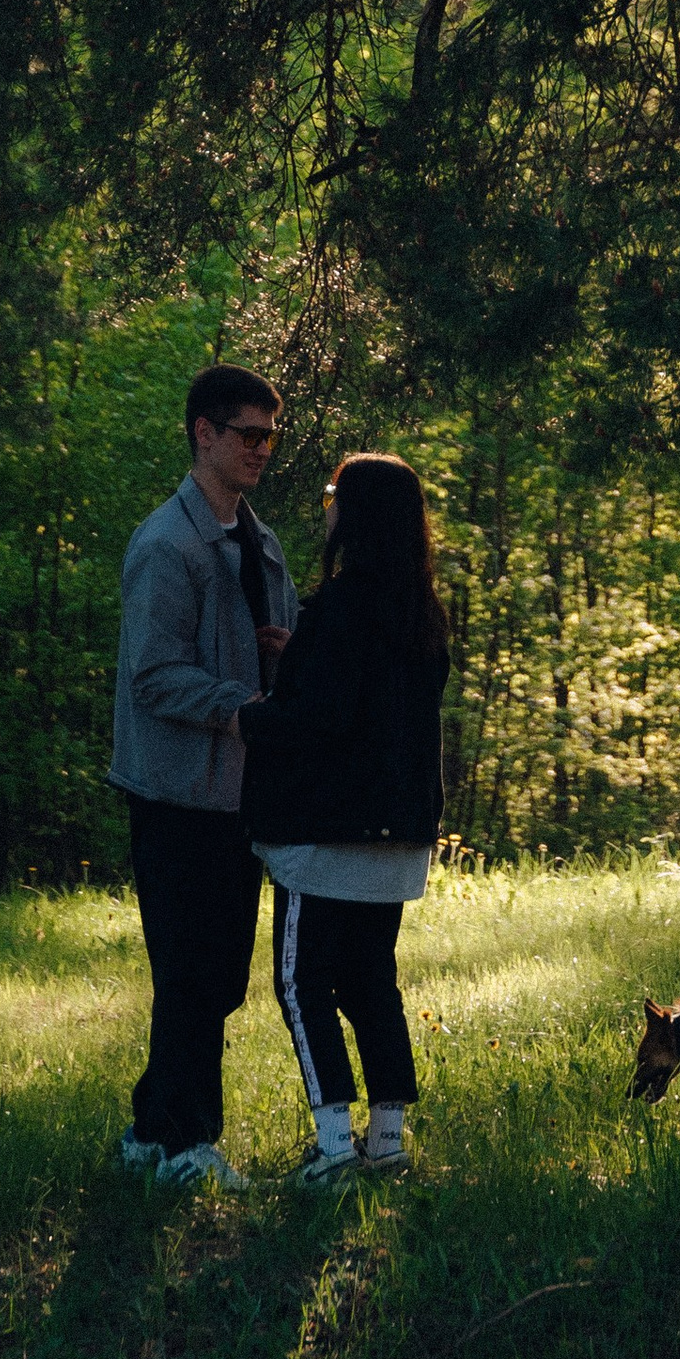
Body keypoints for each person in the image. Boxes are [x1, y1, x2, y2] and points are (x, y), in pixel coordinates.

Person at [239, 450, 451, 1184]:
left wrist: (252, 716)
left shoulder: (339, 608)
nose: (325, 501)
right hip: (398, 836)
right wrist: (304, 655)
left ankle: (332, 1151)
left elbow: (321, 719)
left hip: (327, 835)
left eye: (333, 491)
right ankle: (385, 1143)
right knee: (371, 984)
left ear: (353, 514)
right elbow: (376, 700)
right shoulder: (420, 612)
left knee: (302, 986)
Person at [110, 364, 298, 1188]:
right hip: (175, 795)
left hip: (239, 797)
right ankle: (190, 1146)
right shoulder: (167, 545)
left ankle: (151, 1134)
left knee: (216, 976)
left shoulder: (259, 543)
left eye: (270, 436)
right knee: (189, 971)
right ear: (203, 434)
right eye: (247, 434)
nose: (261, 450)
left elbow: (278, 645)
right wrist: (241, 707)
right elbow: (153, 676)